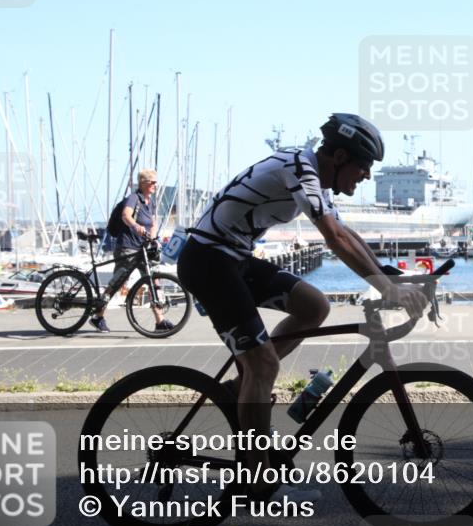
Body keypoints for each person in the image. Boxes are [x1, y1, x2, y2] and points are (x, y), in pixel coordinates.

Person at [177, 113, 428, 501]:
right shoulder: (299, 167)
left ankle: (245, 383)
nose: (364, 176)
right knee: (265, 364)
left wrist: (388, 275)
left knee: (315, 306)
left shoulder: (319, 182)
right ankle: (255, 475)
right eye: (363, 168)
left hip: (234, 259)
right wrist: (384, 287)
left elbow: (347, 233)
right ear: (340, 156)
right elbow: (333, 239)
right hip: (208, 261)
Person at [90, 169, 174, 333]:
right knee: (118, 282)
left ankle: (160, 321)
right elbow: (126, 216)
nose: (155, 185)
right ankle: (97, 316)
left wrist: (154, 239)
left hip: (143, 249)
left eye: (156, 182)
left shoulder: (150, 202)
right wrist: (136, 226)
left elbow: (153, 223)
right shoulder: (133, 198)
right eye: (153, 182)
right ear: (143, 182)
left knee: (153, 281)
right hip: (128, 247)